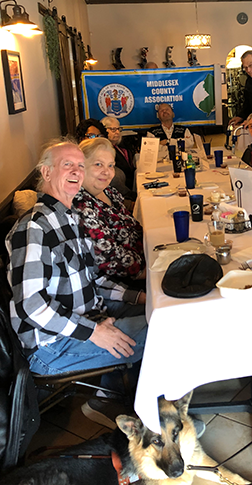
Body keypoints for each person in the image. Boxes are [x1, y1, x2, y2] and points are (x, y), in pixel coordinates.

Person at [6, 140, 147, 428]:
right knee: (164, 332)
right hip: (51, 348)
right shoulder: (33, 227)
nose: (76, 171)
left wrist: (139, 297)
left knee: (160, 311)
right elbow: (30, 305)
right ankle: (139, 412)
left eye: (80, 165)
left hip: (89, 317)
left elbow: (94, 279)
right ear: (46, 173)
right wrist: (95, 332)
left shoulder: (70, 217)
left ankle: (113, 395)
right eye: (66, 164)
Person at [73, 138, 145, 288]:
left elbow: (132, 226)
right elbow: (108, 258)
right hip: (121, 284)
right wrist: (149, 271)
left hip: (143, 257)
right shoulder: (81, 204)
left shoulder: (108, 191)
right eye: (98, 164)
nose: (106, 172)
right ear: (81, 167)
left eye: (111, 165)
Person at [101, 115, 136, 195]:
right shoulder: (105, 151)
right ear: (104, 131)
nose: (117, 132)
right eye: (113, 129)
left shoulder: (120, 147)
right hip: (121, 193)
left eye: (118, 129)